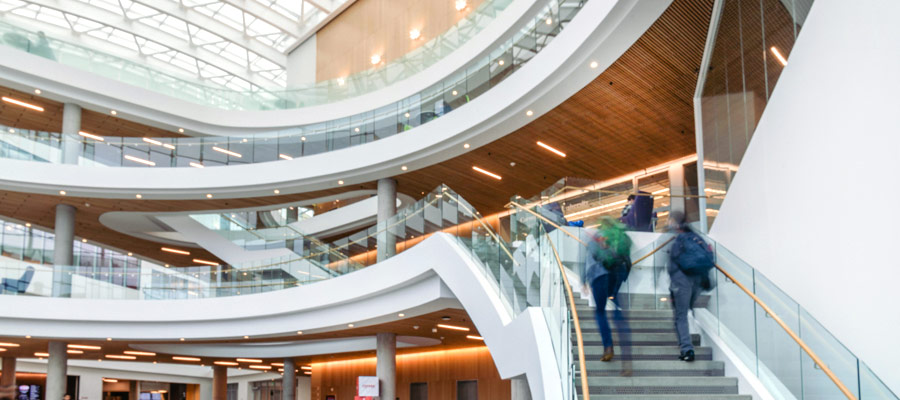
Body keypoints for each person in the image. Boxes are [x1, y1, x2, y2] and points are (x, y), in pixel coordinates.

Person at [666, 211, 715, 362]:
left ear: (676, 223)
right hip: (698, 281)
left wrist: (672, 286)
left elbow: (673, 264)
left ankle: (687, 349)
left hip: (682, 281)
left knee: (680, 315)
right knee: (688, 309)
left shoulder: (679, 239)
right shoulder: (698, 238)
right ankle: (692, 330)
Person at [582, 217, 632, 362]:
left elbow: (587, 260)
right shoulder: (620, 237)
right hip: (616, 275)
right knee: (617, 308)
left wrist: (583, 280)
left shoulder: (595, 238)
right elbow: (627, 259)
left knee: (600, 311)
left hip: (599, 276)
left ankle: (608, 346)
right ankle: (625, 345)